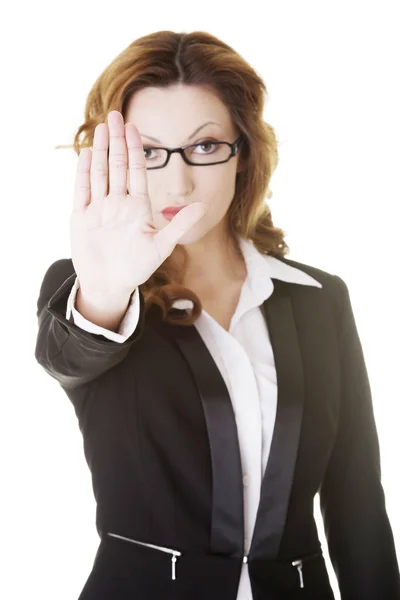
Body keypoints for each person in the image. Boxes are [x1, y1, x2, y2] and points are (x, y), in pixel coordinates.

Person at [35, 30, 400, 600]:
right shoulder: (91, 290)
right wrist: (107, 286)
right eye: (149, 152)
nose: (177, 181)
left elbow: (356, 501)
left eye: (204, 147)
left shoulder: (319, 298)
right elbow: (69, 358)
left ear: (243, 151)